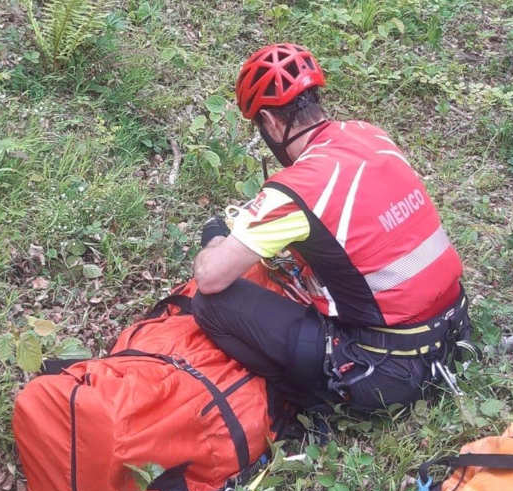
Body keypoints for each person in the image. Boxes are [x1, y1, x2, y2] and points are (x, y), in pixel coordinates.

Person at [191, 43, 472, 411]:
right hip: (454, 334)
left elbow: (211, 277)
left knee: (210, 303)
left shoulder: (295, 190)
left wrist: (215, 237)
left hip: (385, 372)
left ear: (271, 122)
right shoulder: (370, 135)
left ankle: (303, 400)